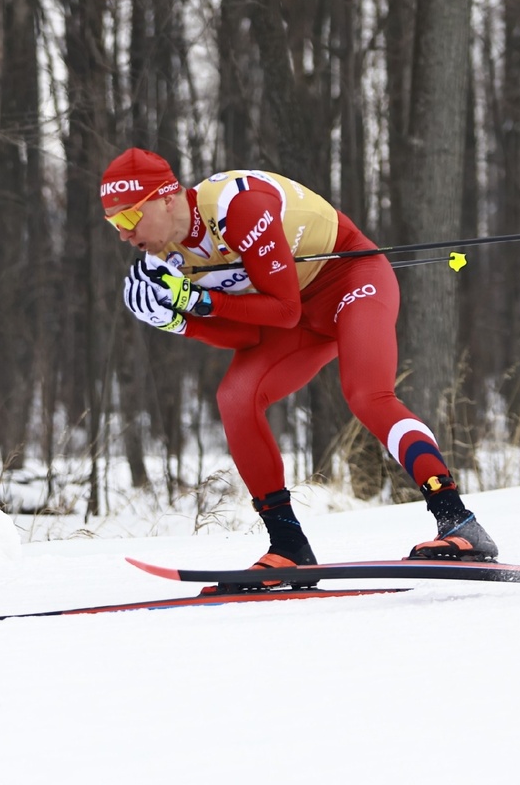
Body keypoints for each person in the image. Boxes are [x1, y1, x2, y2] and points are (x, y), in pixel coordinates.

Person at [100, 147, 497, 590]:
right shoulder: (163, 262)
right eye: (114, 224)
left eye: (129, 218)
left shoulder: (236, 207)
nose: (123, 234)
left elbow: (284, 309)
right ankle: (288, 545)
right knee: (236, 398)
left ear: (168, 197)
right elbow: (249, 336)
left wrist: (199, 302)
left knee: (367, 393)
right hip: (293, 315)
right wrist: (180, 322)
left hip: (350, 280)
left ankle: (458, 522)